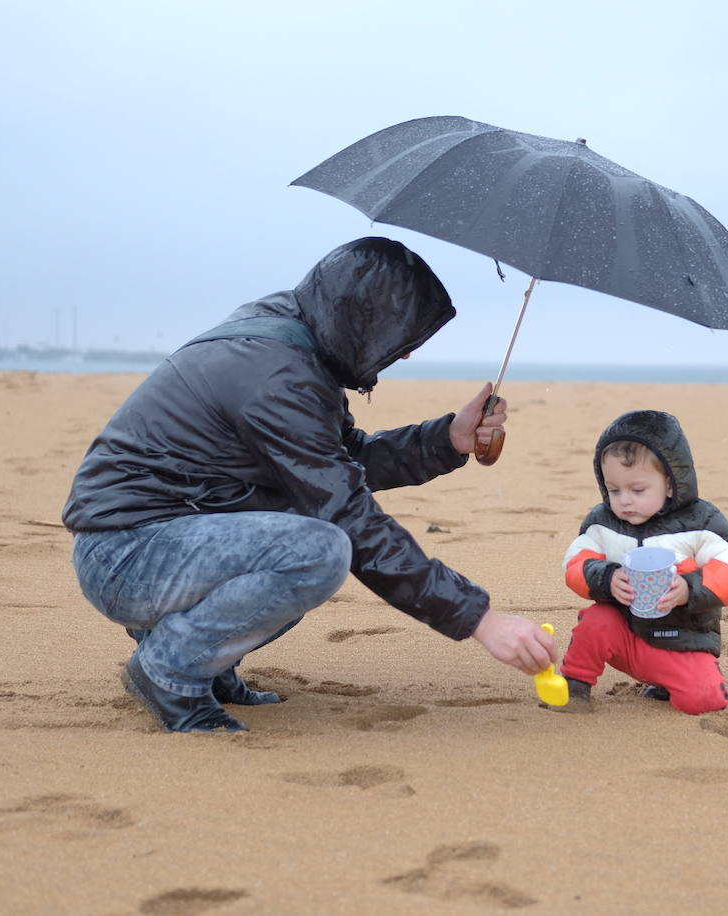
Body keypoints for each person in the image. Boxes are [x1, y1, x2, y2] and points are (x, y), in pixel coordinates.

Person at [62, 237, 557, 733]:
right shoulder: (278, 374)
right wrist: (480, 620)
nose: (402, 356)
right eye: (399, 340)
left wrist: (447, 440)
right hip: (126, 554)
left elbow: (337, 461)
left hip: (165, 533)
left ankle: (204, 662)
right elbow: (344, 510)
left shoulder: (296, 338)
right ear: (362, 320)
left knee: (303, 532)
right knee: (318, 550)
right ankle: (169, 670)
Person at [557, 409, 728, 715]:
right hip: (626, 636)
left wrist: (689, 589)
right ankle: (575, 686)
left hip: (681, 642)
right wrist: (605, 578)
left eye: (638, 489)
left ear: (671, 483)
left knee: (704, 701)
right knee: (595, 622)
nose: (624, 500)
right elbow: (576, 561)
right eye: (613, 489)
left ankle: (669, 683)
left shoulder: (700, 522)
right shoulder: (603, 523)